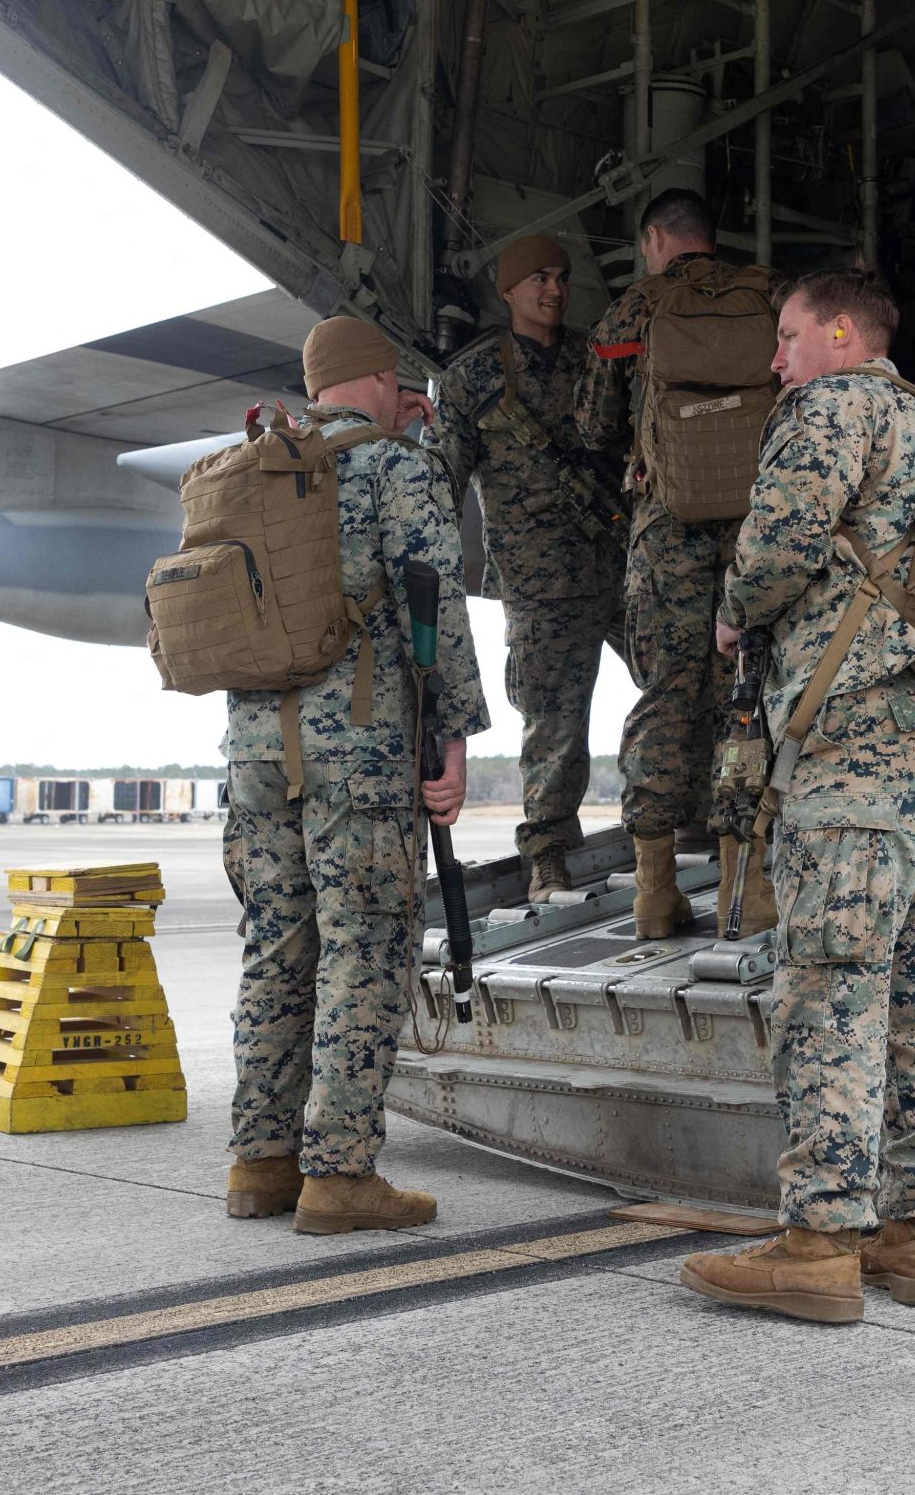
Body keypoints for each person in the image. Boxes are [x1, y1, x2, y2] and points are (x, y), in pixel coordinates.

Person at [681, 269, 915, 1324]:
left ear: (843, 331)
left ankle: (819, 1239)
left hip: (856, 733)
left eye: (787, 334)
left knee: (830, 978)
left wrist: (731, 611)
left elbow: (779, 544)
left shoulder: (835, 405)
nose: (776, 359)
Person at [222, 317, 488, 1234]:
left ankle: (261, 1161)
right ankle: (340, 1173)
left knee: (277, 950)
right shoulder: (394, 468)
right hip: (359, 749)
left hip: (256, 751)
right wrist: (454, 736)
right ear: (380, 377)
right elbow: (436, 604)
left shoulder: (255, 468)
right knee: (363, 954)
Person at [575, 188, 783, 936]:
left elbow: (595, 424)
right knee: (750, 693)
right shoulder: (766, 296)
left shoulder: (634, 310)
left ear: (656, 237)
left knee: (666, 693)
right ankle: (746, 886)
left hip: (666, 530)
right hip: (753, 532)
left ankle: (655, 892)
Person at [431, 234, 628, 900]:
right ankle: (548, 851)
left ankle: (679, 819)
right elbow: (443, 484)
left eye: (561, 277)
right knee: (554, 723)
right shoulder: (474, 378)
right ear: (508, 291)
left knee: (678, 685)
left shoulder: (591, 359)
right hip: (539, 584)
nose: (553, 289)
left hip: (620, 560)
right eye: (538, 278)